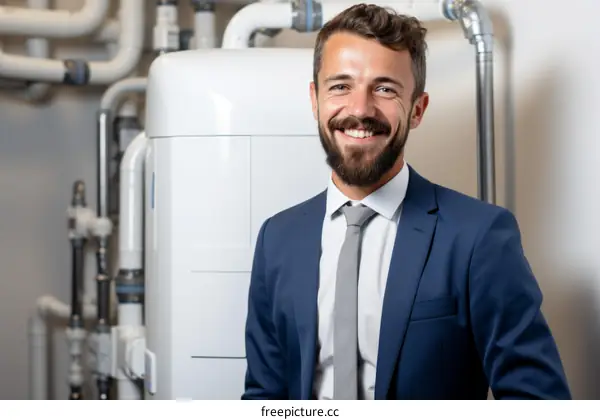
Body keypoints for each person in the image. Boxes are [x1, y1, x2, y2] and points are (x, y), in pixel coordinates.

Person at [241, 3, 571, 400]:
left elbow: (538, 400)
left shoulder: (478, 237)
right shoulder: (277, 239)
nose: (360, 110)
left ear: (417, 109)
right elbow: (265, 398)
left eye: (384, 89)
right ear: (315, 100)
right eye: (340, 86)